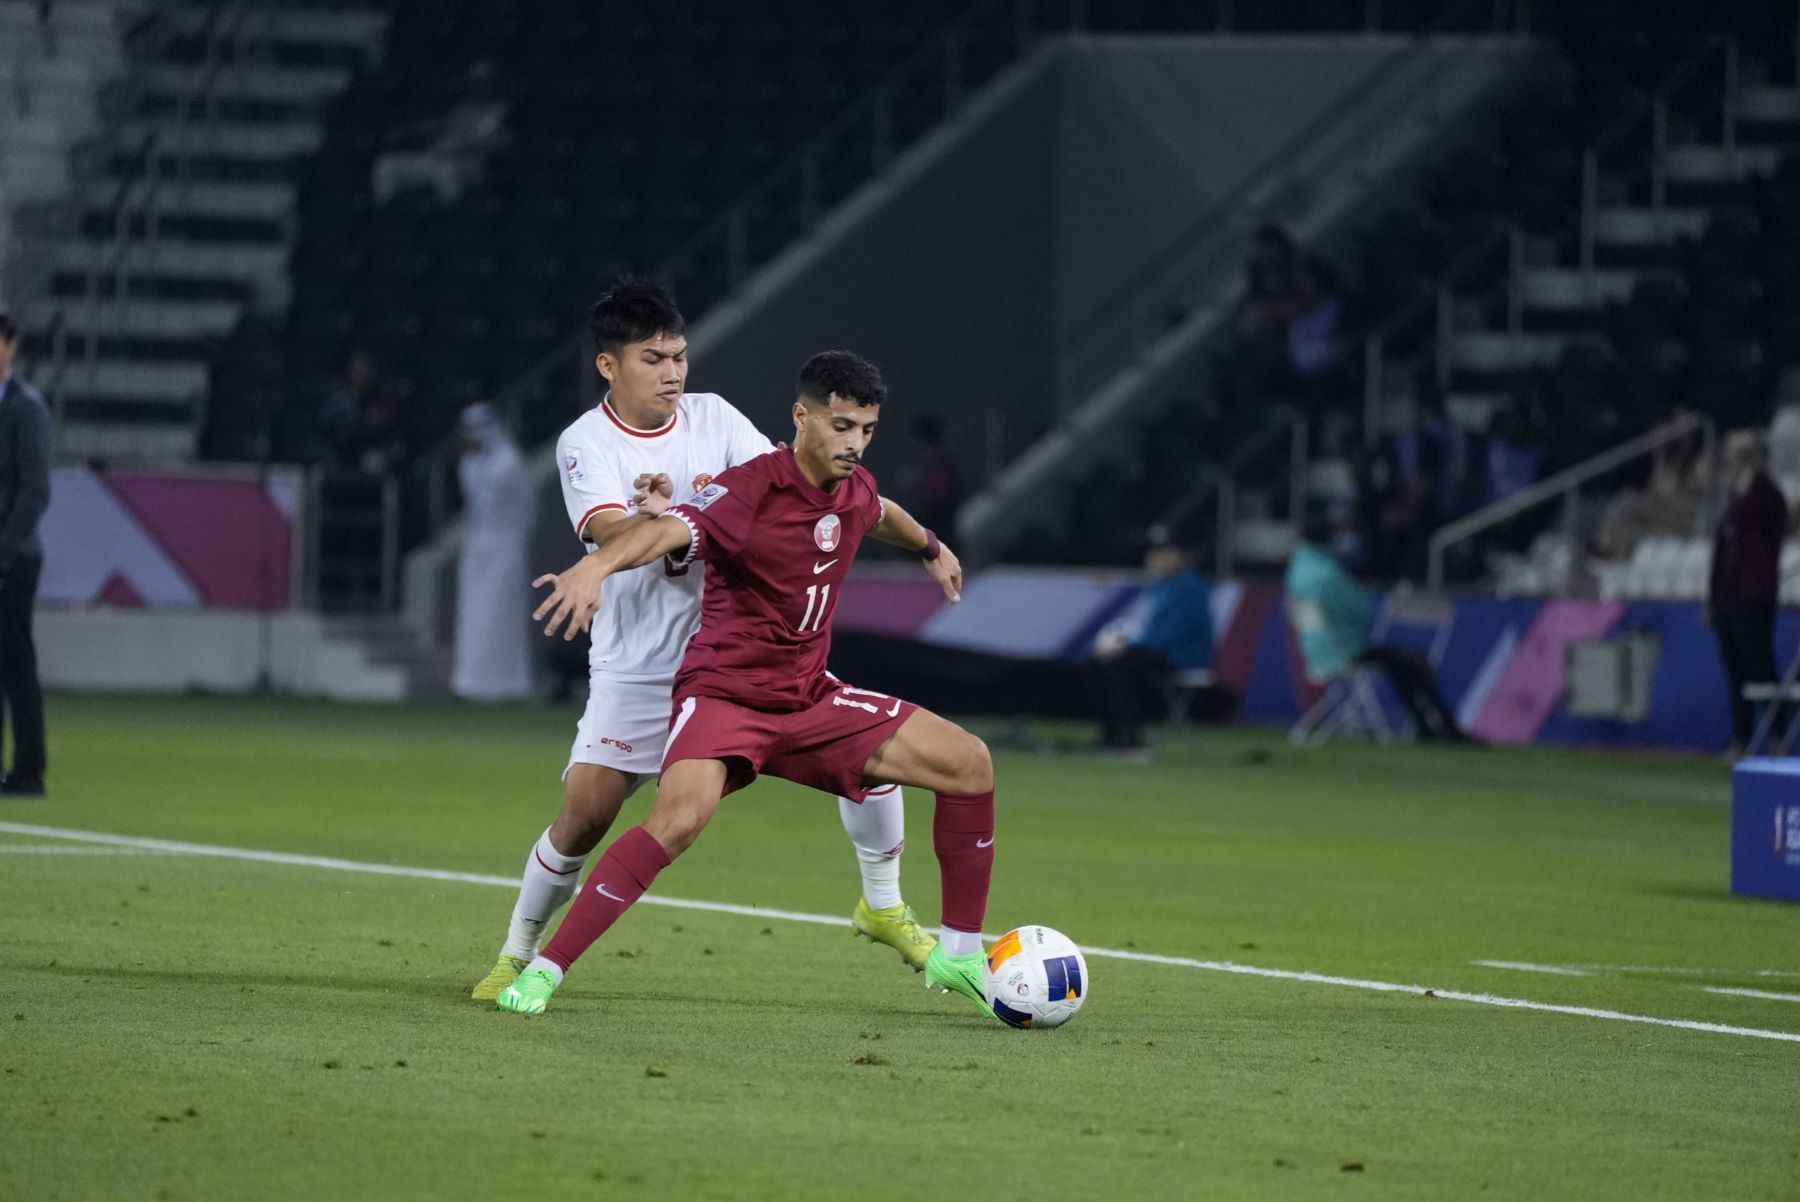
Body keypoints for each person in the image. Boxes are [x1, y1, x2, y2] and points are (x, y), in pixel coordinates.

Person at [469, 282, 936, 1001]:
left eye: (680, 357)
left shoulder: (713, 418)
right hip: (642, 662)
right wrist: (649, 523)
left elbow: (790, 483)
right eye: (653, 359)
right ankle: (516, 951)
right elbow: (609, 532)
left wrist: (924, 541)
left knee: (867, 752)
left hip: (740, 655)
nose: (673, 374)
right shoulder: (585, 444)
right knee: (584, 818)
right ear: (608, 366)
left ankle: (886, 903)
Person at [1286, 524, 1473, 744]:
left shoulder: (1298, 570)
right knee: (1412, 662)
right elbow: (1357, 605)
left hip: (1319, 650)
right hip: (1344, 649)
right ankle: (1441, 726)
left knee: (1404, 664)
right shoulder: (1323, 572)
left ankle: (1427, 725)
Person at [1708, 430, 1790, 754]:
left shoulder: (1767, 495)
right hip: (1729, 594)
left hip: (1754, 594)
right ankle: (1741, 735)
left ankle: (1778, 733)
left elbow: (1767, 536)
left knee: (1760, 665)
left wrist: (1750, 486)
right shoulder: (1732, 496)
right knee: (1735, 669)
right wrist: (1713, 597)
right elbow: (1723, 546)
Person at [1092, 536, 1213, 753]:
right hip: (1160, 650)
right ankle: (1110, 735)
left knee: (1119, 664)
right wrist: (1125, 643)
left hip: (1181, 656)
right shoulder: (1162, 587)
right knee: (1099, 662)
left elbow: (1174, 632)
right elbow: (1154, 631)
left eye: (1160, 556)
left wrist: (1125, 647)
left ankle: (1130, 737)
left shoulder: (1189, 587)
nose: (1153, 561)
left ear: (1177, 557)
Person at [451, 403, 537, 702]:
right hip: (477, 547)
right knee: (474, 616)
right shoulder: (470, 464)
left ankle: (506, 682)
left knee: (502, 615)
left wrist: (512, 539)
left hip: (505, 547)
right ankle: (471, 680)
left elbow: (526, 509)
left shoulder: (509, 463)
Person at [0, 312, 51, 797]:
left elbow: (35, 491)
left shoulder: (26, 408)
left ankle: (30, 770)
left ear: (10, 345)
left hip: (13, 558)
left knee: (16, 665)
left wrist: (4, 552)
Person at [372, 60, 511, 206]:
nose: (480, 86)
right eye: (476, 81)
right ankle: (383, 217)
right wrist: (409, 131)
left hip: (469, 163)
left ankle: (448, 221)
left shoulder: (502, 108)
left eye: (485, 81)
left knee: (447, 172)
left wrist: (467, 148)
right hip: (437, 156)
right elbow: (437, 129)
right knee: (386, 165)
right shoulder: (462, 106)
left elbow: (504, 143)